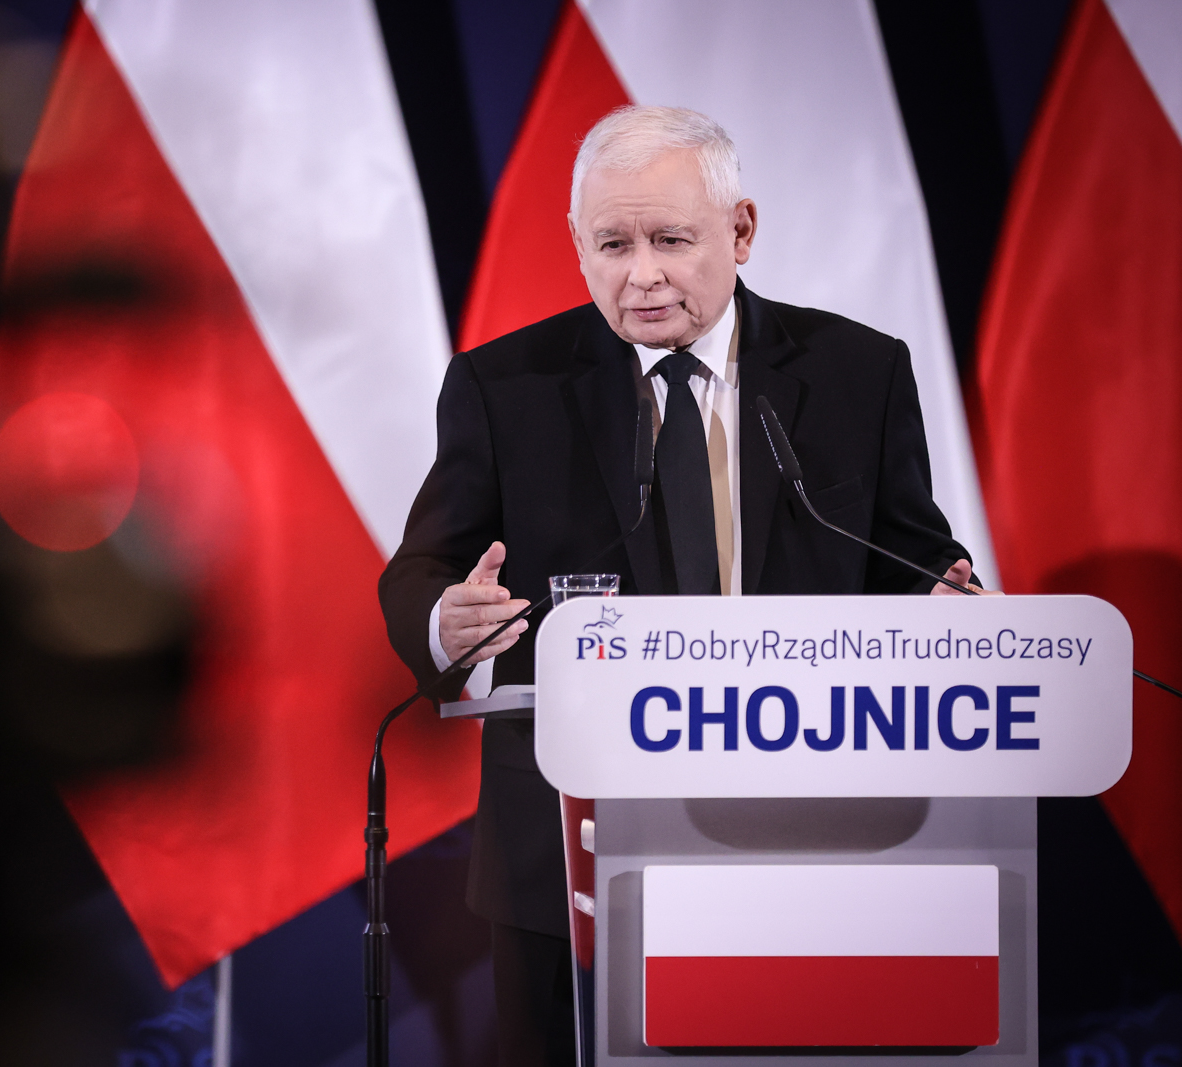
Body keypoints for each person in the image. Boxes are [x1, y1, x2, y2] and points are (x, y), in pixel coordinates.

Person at [377, 105, 984, 1066]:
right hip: (567, 856)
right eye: (612, 244)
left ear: (740, 231)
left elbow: (912, 561)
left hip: (804, 831)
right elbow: (422, 571)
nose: (642, 274)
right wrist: (447, 620)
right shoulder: (504, 385)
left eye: (670, 239)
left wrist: (942, 610)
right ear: (577, 245)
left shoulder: (858, 372)